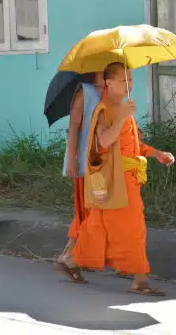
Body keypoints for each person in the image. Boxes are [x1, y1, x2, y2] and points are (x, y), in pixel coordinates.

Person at [61, 62, 175, 296]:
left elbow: (134, 145)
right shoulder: (103, 110)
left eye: (131, 80)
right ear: (108, 83)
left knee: (98, 226)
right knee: (132, 229)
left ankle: (72, 259)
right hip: (116, 182)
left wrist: (157, 154)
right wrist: (122, 117)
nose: (129, 85)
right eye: (124, 81)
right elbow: (103, 142)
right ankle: (140, 281)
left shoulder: (123, 109)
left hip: (129, 179)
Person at [55, 72, 105, 267]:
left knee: (94, 211)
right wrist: (72, 160)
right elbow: (74, 125)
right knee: (87, 211)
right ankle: (70, 256)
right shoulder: (86, 92)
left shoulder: (111, 92)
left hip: (103, 162)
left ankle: (73, 256)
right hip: (85, 160)